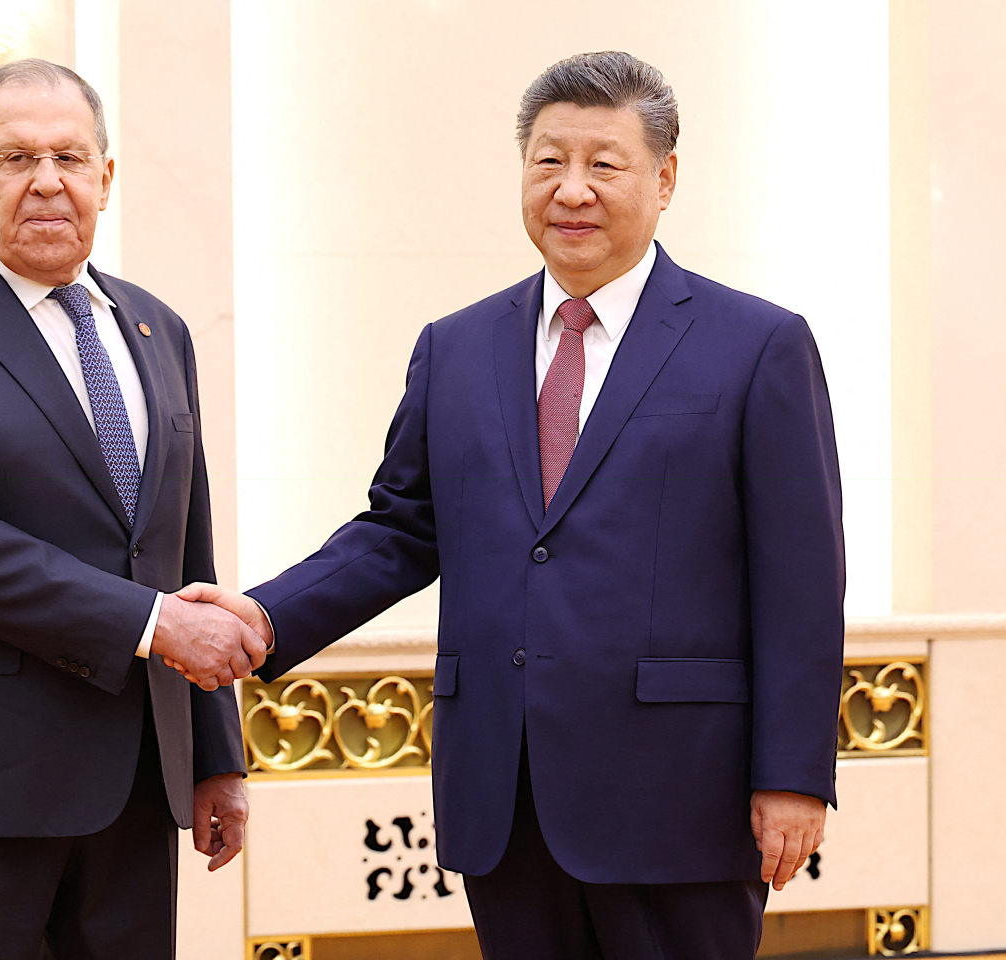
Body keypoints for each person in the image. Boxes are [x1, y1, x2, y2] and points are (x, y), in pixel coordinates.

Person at [176, 51, 844, 959]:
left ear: (666, 178)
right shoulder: (455, 347)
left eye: (603, 164)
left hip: (680, 798)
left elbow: (801, 581)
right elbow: (401, 529)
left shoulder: (758, 344)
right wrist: (264, 613)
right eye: (547, 161)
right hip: (506, 795)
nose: (571, 190)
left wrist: (794, 777)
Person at [0, 58, 266, 960]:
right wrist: (150, 624)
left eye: (70, 157)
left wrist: (215, 753)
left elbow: (184, 548)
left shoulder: (158, 328)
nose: (46, 181)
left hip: (136, 784)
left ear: (107, 176)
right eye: (15, 156)